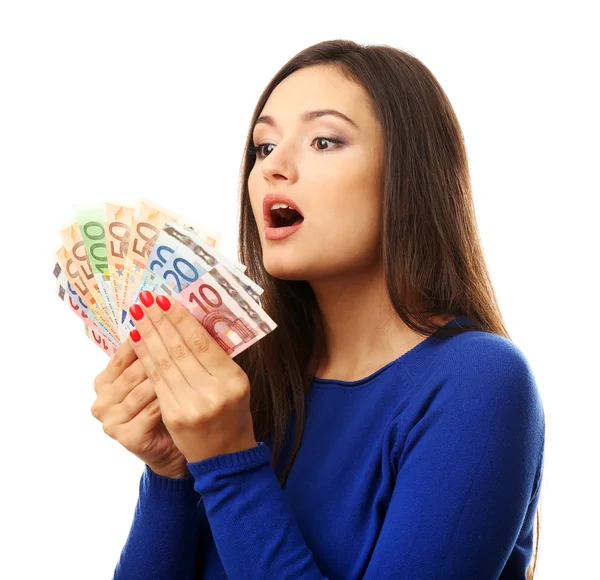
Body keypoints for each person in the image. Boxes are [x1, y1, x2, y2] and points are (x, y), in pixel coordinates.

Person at [92, 39, 545, 579]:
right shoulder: (248, 382)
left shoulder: (479, 381)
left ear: (409, 175)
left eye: (324, 141)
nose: (274, 169)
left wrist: (228, 460)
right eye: (263, 147)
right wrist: (171, 471)